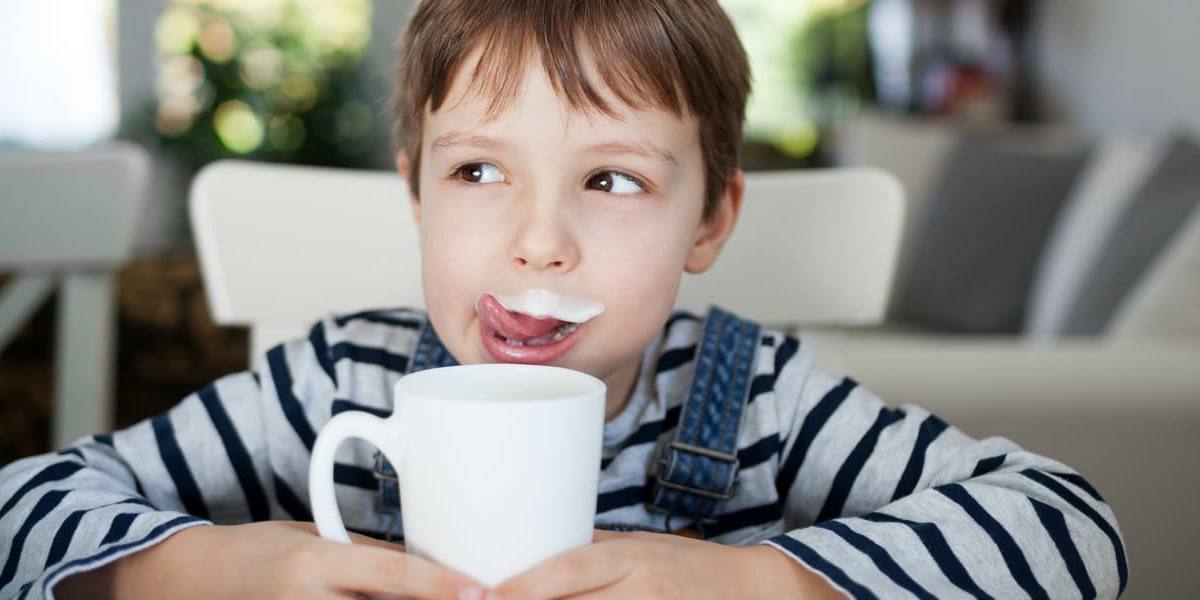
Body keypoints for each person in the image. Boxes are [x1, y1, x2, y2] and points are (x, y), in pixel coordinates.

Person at [0, 1, 1126, 598]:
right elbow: (24, 503)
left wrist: (763, 584)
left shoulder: (760, 401)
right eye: (478, 171)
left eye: (613, 180)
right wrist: (195, 570)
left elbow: (1070, 527)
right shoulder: (336, 385)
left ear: (709, 220)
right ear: (416, 193)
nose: (538, 243)